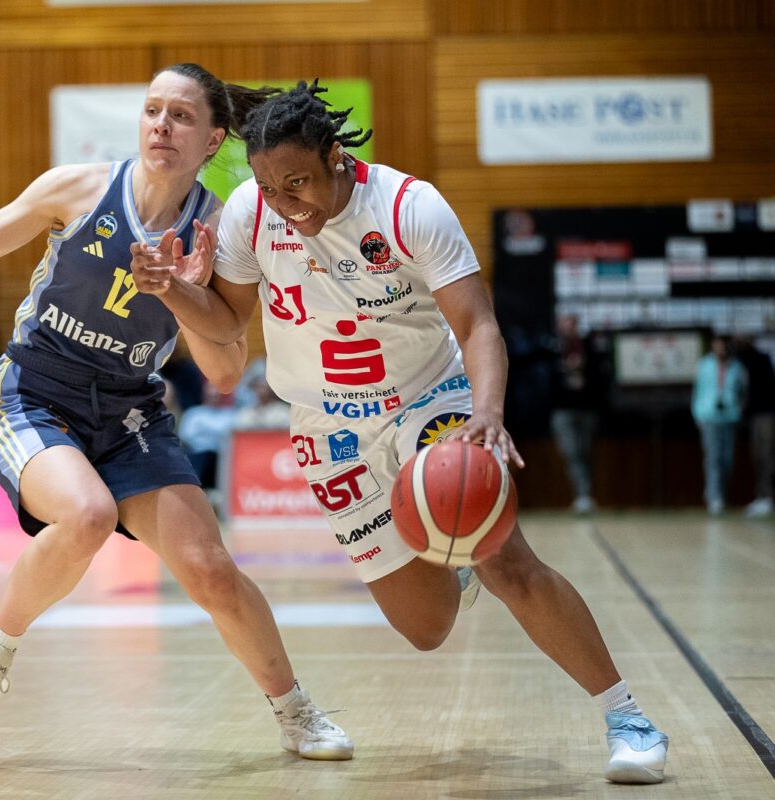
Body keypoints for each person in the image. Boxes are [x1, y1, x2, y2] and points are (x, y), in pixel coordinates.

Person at [0, 64, 352, 760]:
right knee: (87, 515)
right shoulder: (79, 189)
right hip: (34, 391)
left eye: (181, 116)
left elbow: (225, 369)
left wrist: (181, 294)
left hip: (129, 409)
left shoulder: (217, 228)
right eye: (153, 110)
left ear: (212, 140)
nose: (162, 125)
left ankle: (297, 713)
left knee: (210, 568)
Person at [131, 80, 669, 784]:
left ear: (336, 159)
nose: (286, 205)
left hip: (428, 399)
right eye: (269, 187)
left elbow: (478, 326)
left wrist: (487, 414)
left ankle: (628, 719)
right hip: (327, 428)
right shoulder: (250, 213)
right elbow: (228, 322)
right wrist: (172, 289)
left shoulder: (408, 206)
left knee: (506, 560)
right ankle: (454, 560)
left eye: (298, 184)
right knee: (426, 628)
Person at [549, 314, 608, 514]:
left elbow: (600, 375)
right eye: (563, 323)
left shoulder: (589, 346)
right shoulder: (553, 347)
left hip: (587, 408)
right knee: (571, 451)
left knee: (585, 451)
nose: (567, 327)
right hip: (562, 409)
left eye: (571, 323)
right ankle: (582, 495)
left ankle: (586, 495)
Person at [691, 334, 747, 515]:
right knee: (713, 459)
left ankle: (721, 494)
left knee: (727, 460)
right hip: (709, 417)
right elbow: (697, 392)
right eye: (717, 344)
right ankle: (714, 498)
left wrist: (739, 410)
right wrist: (697, 414)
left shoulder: (737, 367)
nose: (720, 348)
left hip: (729, 417)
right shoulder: (704, 365)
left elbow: (743, 392)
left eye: (723, 345)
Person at [733, 335, 775, 518]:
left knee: (766, 456)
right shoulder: (739, 360)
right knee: (758, 456)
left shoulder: (760, 359)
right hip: (754, 415)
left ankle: (768, 497)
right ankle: (763, 496)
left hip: (766, 414)